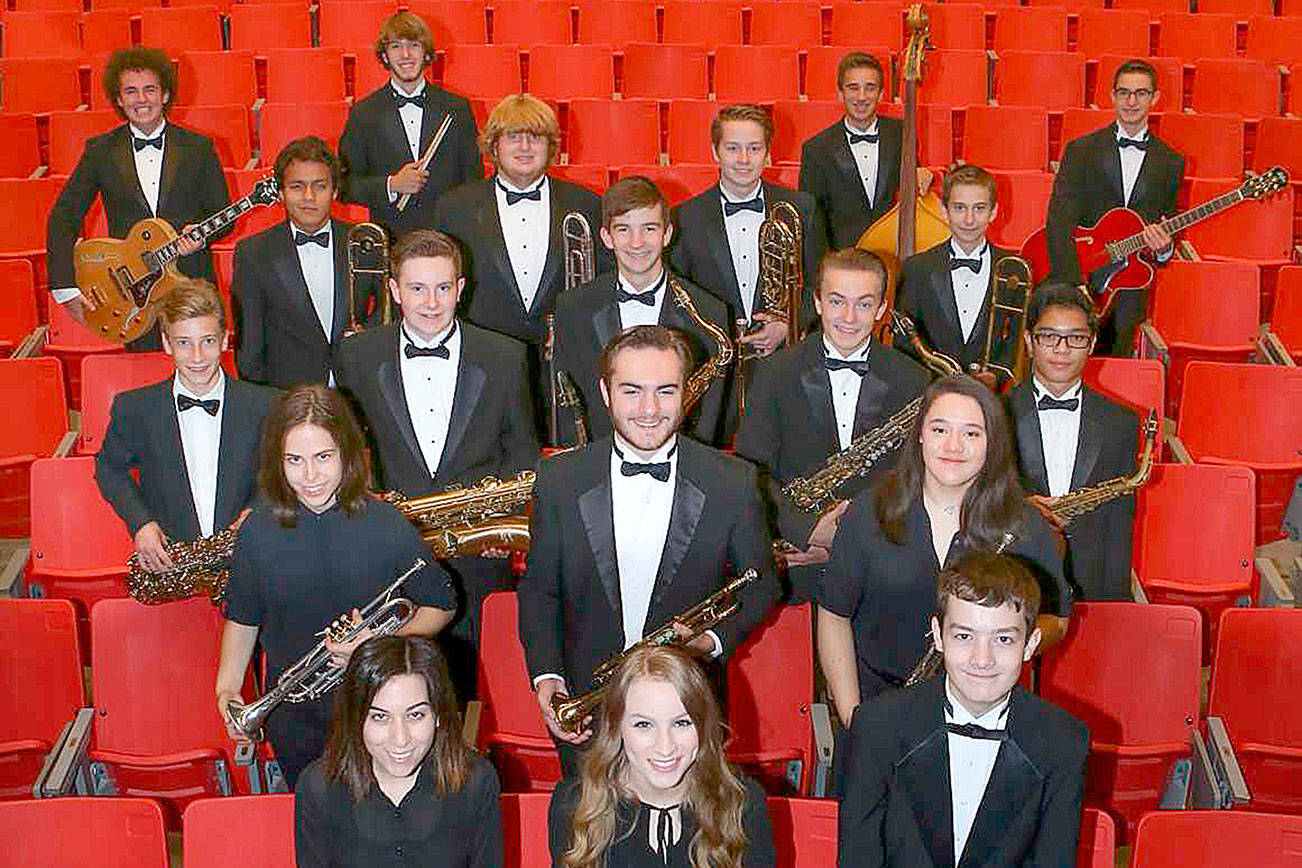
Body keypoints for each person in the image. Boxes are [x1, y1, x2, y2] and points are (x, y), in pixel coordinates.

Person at [518, 325, 781, 773]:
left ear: (687, 392)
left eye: (665, 391)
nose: (649, 410)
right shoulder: (560, 480)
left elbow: (761, 587)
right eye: (632, 391)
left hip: (688, 709)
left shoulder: (733, 482)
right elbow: (541, 590)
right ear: (604, 392)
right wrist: (548, 677)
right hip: (588, 710)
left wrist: (710, 641)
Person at [216, 384, 456, 788]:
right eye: (295, 460)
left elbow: (442, 605)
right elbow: (243, 619)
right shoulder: (257, 530)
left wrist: (378, 647)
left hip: (379, 708)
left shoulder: (385, 523)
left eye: (323, 457)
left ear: (346, 453)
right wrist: (226, 689)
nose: (309, 476)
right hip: (295, 716)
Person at [336, 229, 538, 696]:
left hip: (476, 555)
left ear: (461, 288)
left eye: (443, 288)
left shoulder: (506, 355)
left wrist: (501, 529)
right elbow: (347, 450)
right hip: (387, 554)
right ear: (393, 290)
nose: (431, 302)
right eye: (417, 288)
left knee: (471, 693)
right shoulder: (356, 354)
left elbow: (523, 457)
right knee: (386, 688)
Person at [817, 376, 1072, 729]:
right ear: (919, 434)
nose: (954, 445)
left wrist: (1008, 642)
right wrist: (853, 717)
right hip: (879, 707)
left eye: (971, 433)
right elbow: (834, 615)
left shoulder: (1024, 524)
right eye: (939, 430)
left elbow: (1057, 619)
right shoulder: (868, 512)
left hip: (985, 714)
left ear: (992, 444)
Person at [838, 552, 1089, 867]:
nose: (981, 659)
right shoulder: (878, 727)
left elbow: (1054, 860)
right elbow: (857, 858)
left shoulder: (1063, 742)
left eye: (1003, 639)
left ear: (1030, 643)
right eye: (964, 636)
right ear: (939, 636)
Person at [735, 248, 930, 602]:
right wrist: (808, 531)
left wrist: (856, 538)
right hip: (796, 562)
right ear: (818, 302)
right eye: (837, 301)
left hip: (880, 564)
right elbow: (750, 471)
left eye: (865, 304)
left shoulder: (914, 379)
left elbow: (917, 478)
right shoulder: (774, 372)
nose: (850, 317)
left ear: (883, 309)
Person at [432, 94, 609, 435]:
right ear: (493, 146)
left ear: (551, 146)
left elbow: (601, 288)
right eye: (514, 136)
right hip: (483, 368)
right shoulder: (454, 208)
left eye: (536, 136)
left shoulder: (586, 205)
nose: (525, 146)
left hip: (564, 369)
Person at [46, 47, 230, 351]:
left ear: (166, 95)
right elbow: (64, 217)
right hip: (130, 291)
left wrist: (199, 236)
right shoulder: (99, 151)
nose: (141, 99)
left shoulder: (199, 148)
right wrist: (65, 287)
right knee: (144, 381)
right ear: (119, 99)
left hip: (191, 282)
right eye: (131, 91)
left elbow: (222, 215)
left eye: (149, 90)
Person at [95, 279, 276, 573]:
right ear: (166, 343)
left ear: (226, 340)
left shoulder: (267, 405)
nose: (197, 357)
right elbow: (108, 468)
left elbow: (283, 470)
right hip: (172, 562)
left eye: (208, 341)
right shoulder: (134, 408)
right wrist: (141, 523)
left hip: (252, 558)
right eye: (183, 343)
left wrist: (259, 511)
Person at [548, 645, 776, 868]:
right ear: (616, 727)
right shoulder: (574, 804)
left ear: (704, 725)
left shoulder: (743, 804)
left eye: (682, 723)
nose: (665, 747)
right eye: (644, 724)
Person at [295, 635, 503, 868]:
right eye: (380, 717)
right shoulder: (318, 786)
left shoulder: (477, 780)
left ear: (437, 715)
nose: (400, 739)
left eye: (415, 715)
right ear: (356, 718)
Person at [553, 177, 730, 446]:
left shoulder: (709, 312)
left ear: (667, 234)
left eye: (649, 228)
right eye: (623, 229)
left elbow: (710, 417)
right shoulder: (573, 308)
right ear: (606, 237)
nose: (637, 243)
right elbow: (568, 401)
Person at [1006, 283, 1139, 601]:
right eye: (1048, 336)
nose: (1061, 349)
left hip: (1090, 583)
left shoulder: (1122, 422)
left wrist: (1114, 602)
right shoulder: (995, 414)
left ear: (1091, 344)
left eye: (1075, 338)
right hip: (1013, 576)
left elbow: (1119, 527)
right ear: (1029, 341)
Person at [1045, 58, 1185, 355]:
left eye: (1141, 93)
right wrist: (1075, 287)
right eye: (1123, 92)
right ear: (1112, 96)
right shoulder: (1081, 151)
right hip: (1079, 277)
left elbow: (1169, 227)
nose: (1131, 101)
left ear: (1155, 98)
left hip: (1129, 285)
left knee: (1115, 365)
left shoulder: (1171, 162)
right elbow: (1058, 223)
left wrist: (1163, 248)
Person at [670, 104, 826, 363]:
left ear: (767, 154)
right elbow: (679, 294)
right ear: (715, 152)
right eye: (732, 148)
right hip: (713, 361)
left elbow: (821, 283)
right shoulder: (685, 217)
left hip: (783, 357)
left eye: (754, 148)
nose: (744, 159)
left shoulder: (802, 209)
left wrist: (789, 324)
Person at [340, 11, 482, 239]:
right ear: (385, 56)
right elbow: (345, 186)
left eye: (414, 45)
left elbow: (473, 182)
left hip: (448, 237)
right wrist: (392, 185)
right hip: (392, 239)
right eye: (396, 46)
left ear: (426, 52)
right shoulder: (363, 114)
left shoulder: (457, 109)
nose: (406, 55)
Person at [233, 137, 358, 389]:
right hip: (286, 396)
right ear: (280, 193)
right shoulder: (253, 253)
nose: (308, 197)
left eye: (319, 186)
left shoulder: (363, 242)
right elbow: (249, 346)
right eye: (297, 187)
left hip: (358, 392)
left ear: (334, 191)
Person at [896, 164, 1011, 380]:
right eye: (959, 208)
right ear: (943, 210)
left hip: (993, 399)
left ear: (993, 212)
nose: (969, 219)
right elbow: (905, 343)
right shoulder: (917, 268)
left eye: (979, 208)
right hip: (933, 394)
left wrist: (997, 376)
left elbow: (1017, 340)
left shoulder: (1013, 269)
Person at [799, 52, 903, 251]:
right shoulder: (816, 149)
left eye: (870, 88)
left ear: (881, 94)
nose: (861, 97)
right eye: (853, 88)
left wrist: (925, 175)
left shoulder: (902, 135)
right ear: (840, 93)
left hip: (893, 254)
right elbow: (813, 220)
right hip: (844, 261)